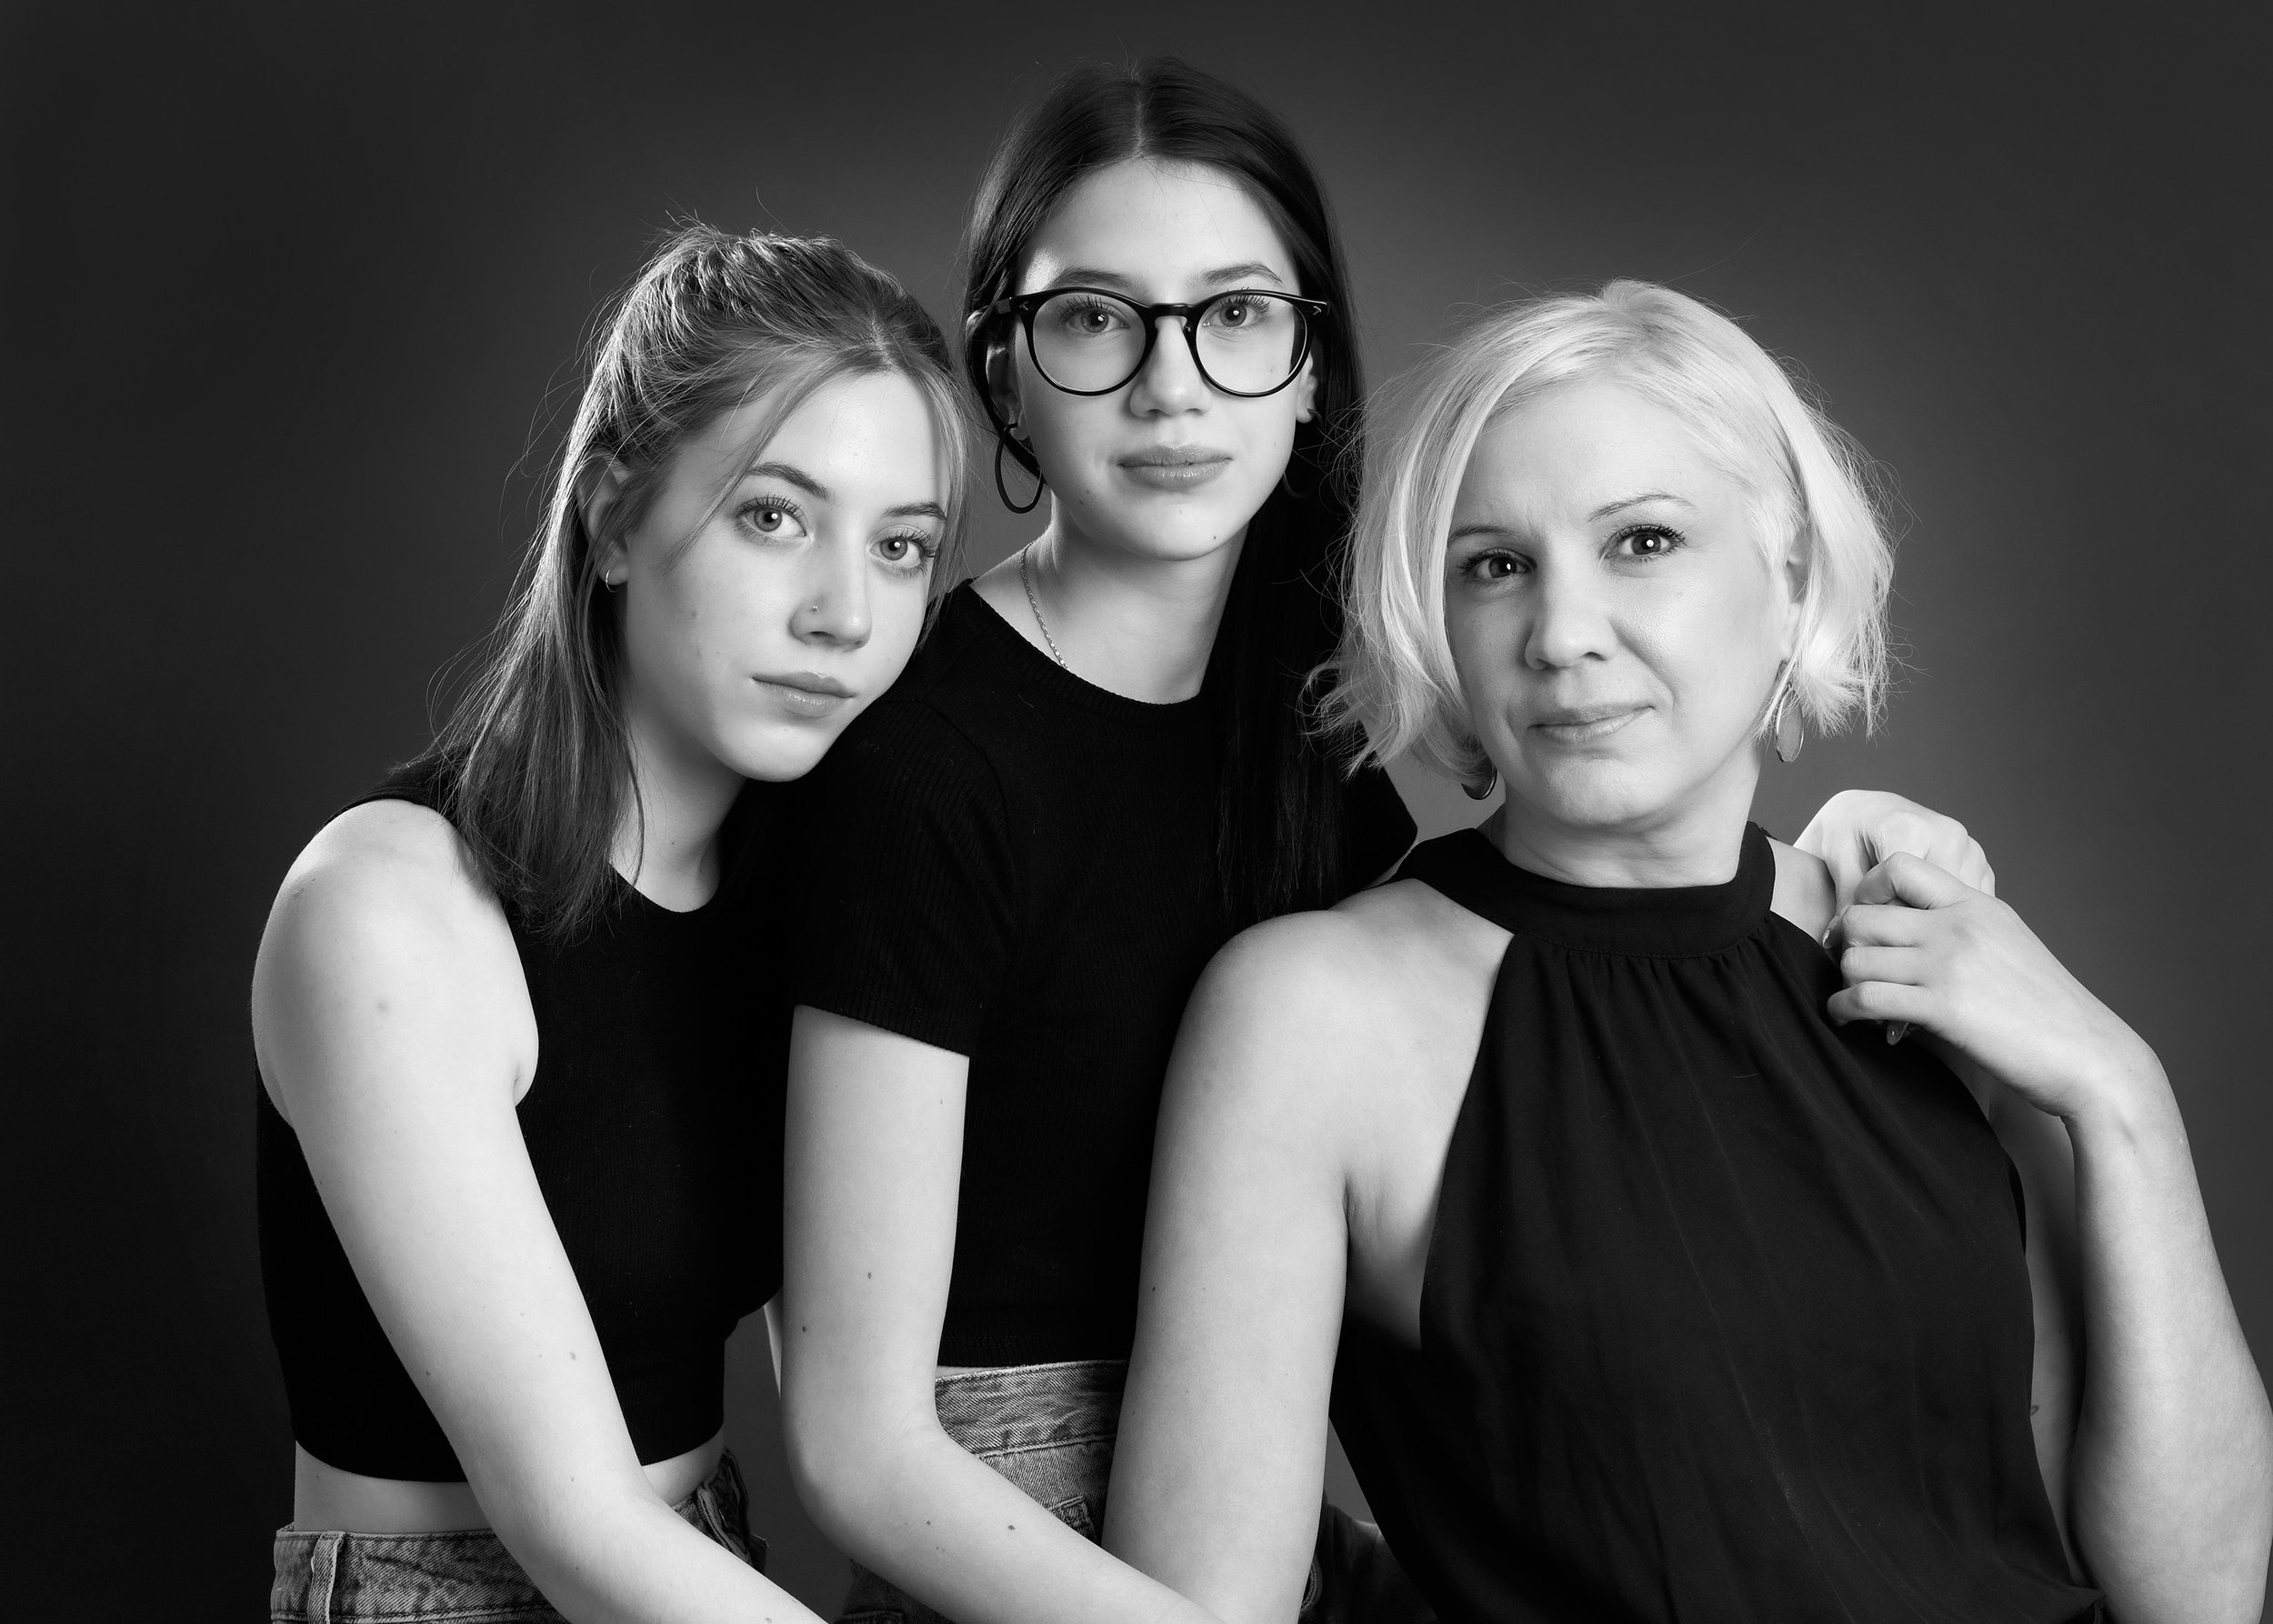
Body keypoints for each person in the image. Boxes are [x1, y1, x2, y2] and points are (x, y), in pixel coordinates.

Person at [777, 58, 1998, 1624]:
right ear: (1003, 371)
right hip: (1013, 1539)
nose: (1171, 389)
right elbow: (857, 1446)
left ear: (1305, 363)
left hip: (1258, 1492)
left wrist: (1830, 844)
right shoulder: (926, 762)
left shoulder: (1307, 707)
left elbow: (1562, 884)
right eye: (1095, 319)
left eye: (1234, 316)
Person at [1103, 281, 2273, 1623]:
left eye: (1643, 541)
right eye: (1496, 564)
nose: (1563, 634)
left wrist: (2121, 1094)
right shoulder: (1314, 1016)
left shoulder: (1922, 945)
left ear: (1790, 585)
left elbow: (2202, 1594)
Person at [252, 224, 971, 1624]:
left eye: (901, 547)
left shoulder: (813, 888)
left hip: (718, 1569)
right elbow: (570, 1519)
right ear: (612, 515)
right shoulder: (390, 909)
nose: (845, 613)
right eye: (776, 515)